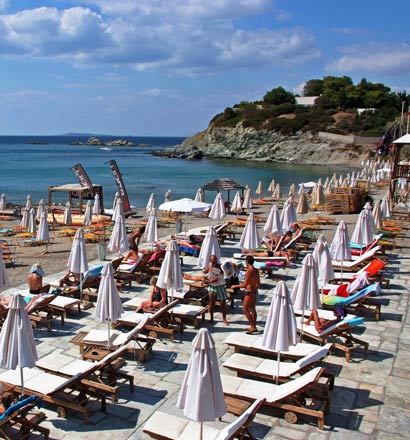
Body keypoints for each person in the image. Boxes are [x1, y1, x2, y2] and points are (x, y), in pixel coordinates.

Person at [184, 254, 229, 325]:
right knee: (211, 303)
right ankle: (211, 318)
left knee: (223, 303)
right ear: (210, 261)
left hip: (221, 286)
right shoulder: (208, 268)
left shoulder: (220, 267)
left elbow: (227, 272)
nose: (214, 263)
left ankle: (224, 319)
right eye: (212, 261)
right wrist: (210, 281)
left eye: (215, 260)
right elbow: (203, 279)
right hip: (212, 287)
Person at [231, 255, 260, 334]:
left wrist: (235, 286)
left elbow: (244, 285)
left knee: (245, 309)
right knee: (253, 309)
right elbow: (258, 283)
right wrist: (255, 289)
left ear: (247, 262)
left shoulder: (249, 271)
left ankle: (253, 326)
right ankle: (253, 326)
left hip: (249, 292)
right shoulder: (256, 270)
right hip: (254, 291)